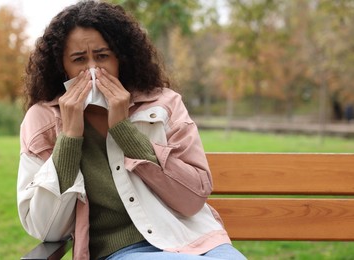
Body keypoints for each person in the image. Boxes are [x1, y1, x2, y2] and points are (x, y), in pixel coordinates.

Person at [17, 1, 247, 259]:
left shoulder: (165, 104)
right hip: (120, 252)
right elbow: (43, 227)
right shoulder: (42, 120)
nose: (93, 70)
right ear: (62, 67)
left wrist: (124, 130)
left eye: (102, 56)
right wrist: (69, 138)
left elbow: (193, 199)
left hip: (194, 241)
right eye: (79, 59)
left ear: (121, 59)